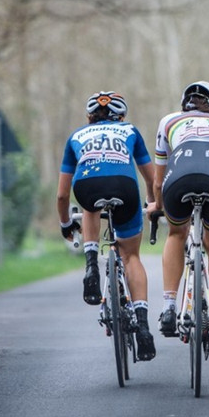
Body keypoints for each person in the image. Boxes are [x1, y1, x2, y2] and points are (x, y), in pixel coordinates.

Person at [57, 91, 157, 361]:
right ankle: (144, 328)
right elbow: (151, 178)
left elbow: (62, 196)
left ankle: (91, 264)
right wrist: (151, 203)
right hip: (125, 188)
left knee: (90, 205)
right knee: (131, 255)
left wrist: (66, 223)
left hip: (87, 187)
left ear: (89, 117)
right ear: (121, 116)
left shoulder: (77, 136)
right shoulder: (130, 130)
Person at [146, 81, 209, 346]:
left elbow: (157, 180)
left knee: (176, 234)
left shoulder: (168, 122)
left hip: (179, 181)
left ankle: (168, 307)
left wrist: (157, 206)